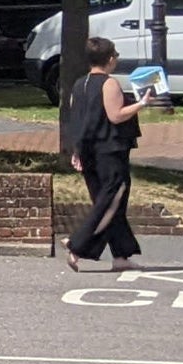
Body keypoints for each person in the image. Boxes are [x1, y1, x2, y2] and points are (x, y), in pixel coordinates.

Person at [63, 37, 145, 271]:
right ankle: (76, 243)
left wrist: (76, 149)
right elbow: (116, 115)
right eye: (116, 55)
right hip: (110, 150)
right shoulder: (109, 84)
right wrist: (142, 103)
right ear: (110, 59)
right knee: (112, 199)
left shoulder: (79, 84)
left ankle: (121, 255)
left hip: (88, 150)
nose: (117, 59)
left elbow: (77, 118)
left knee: (109, 204)